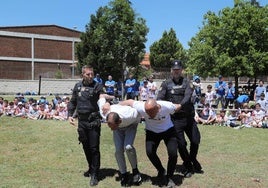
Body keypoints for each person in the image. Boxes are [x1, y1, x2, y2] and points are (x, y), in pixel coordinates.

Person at [157, 60, 203, 178]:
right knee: (181, 145)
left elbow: (188, 96)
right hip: (175, 120)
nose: (176, 71)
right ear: (171, 70)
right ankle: (188, 165)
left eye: (178, 69)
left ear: (181, 70)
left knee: (195, 140)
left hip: (188, 118)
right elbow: (160, 98)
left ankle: (192, 158)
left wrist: (180, 105)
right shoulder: (166, 84)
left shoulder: (188, 82)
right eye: (174, 69)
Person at [119, 98, 180, 187]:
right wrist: (116, 106)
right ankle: (161, 170)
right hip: (152, 132)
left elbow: (178, 106)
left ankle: (169, 177)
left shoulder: (166, 106)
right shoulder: (141, 107)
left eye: (151, 112)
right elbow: (129, 101)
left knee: (173, 153)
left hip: (168, 131)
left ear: (158, 108)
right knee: (150, 152)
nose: (149, 115)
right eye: (147, 112)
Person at [67, 65, 104, 187]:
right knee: (86, 147)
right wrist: (70, 115)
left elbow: (103, 98)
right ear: (82, 74)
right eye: (88, 74)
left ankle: (95, 174)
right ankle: (90, 167)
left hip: (93, 121)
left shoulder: (97, 86)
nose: (91, 76)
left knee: (94, 148)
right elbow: (73, 101)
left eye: (92, 74)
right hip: (81, 122)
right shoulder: (77, 86)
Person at [98, 94, 142, 187]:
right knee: (118, 150)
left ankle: (135, 171)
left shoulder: (131, 114)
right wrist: (109, 100)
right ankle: (124, 174)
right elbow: (101, 95)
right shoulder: (104, 113)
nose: (111, 129)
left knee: (128, 147)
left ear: (120, 121)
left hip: (131, 125)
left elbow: (139, 108)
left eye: (112, 126)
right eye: (110, 126)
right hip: (118, 129)